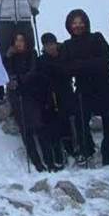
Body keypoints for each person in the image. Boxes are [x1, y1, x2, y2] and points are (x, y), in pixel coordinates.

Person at [60, 9, 109, 166]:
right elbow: (66, 68)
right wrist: (91, 63)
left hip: (105, 86)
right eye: (74, 23)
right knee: (80, 120)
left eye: (80, 22)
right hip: (84, 89)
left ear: (86, 23)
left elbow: (106, 59)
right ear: (69, 26)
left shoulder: (96, 37)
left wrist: (80, 65)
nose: (77, 26)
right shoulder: (67, 45)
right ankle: (87, 151)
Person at [6, 33, 58, 172]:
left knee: (40, 128)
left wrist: (20, 79)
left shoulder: (32, 54)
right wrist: (9, 59)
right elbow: (6, 74)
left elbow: (33, 72)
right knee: (26, 131)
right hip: (17, 96)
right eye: (16, 40)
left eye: (21, 40)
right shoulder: (9, 57)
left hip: (32, 94)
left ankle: (50, 162)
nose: (19, 43)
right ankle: (37, 163)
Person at [37, 32, 76, 165]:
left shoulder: (64, 54)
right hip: (50, 96)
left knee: (67, 121)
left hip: (66, 92)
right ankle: (59, 154)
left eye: (52, 44)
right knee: (54, 124)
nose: (50, 47)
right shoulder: (41, 60)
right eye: (47, 45)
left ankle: (71, 149)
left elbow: (68, 71)